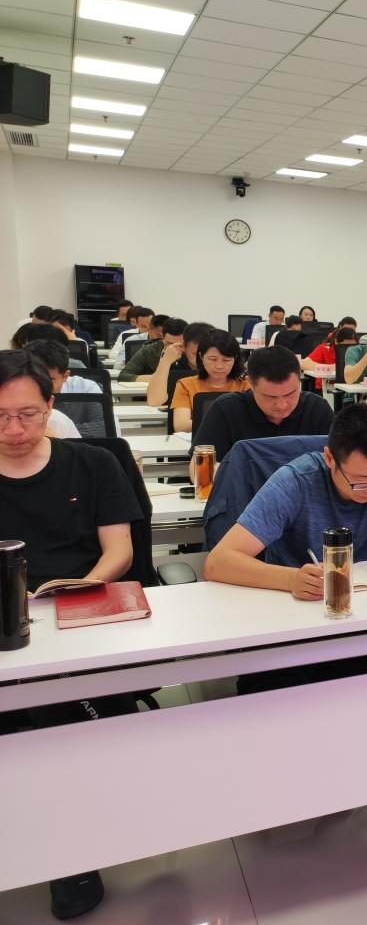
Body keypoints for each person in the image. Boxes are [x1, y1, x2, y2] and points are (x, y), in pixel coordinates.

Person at [0, 348, 142, 920]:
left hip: (79, 613)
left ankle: (69, 852)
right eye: (0, 417)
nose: (13, 429)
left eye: (27, 415)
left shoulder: (92, 464)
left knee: (55, 723)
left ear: (51, 405)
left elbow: (119, 551)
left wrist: (77, 590)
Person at [204, 403, 367, 599]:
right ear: (330, 458)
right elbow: (218, 563)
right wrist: (290, 579)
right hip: (303, 603)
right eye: (362, 480)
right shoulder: (296, 481)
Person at [191, 346, 335, 463]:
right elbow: (199, 465)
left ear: (300, 381)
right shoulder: (226, 409)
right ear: (250, 384)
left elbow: (339, 463)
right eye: (271, 397)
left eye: (290, 394)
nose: (282, 405)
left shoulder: (317, 409)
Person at [169, 329, 250, 434]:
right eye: (212, 359)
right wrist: (227, 422)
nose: (219, 366)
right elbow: (181, 426)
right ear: (201, 357)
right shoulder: (186, 385)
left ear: (235, 359)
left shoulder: (246, 385)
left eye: (226, 360)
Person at [21, 340, 92, 439]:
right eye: (34, 379)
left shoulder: (86, 387)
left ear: (65, 376)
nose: (40, 385)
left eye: (48, 380)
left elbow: (102, 426)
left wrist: (59, 431)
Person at [145, 321, 213, 406]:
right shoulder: (174, 365)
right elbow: (153, 401)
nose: (203, 359)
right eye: (195, 354)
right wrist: (165, 361)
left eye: (210, 355)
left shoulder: (222, 365)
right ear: (183, 347)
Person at [119, 317, 187, 383]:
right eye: (169, 343)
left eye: (180, 345)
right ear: (162, 337)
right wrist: (157, 378)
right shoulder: (149, 351)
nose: (174, 348)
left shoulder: (190, 352)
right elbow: (123, 376)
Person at [300, 325, 358, 390]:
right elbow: (303, 364)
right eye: (344, 346)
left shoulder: (359, 351)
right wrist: (333, 367)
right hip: (326, 388)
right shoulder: (325, 349)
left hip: (352, 387)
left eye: (352, 346)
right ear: (336, 342)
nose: (349, 350)